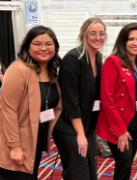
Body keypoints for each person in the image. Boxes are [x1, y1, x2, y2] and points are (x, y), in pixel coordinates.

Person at [0, 26, 62, 180]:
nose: (43, 48)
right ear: (27, 46)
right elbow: (7, 110)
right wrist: (14, 147)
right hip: (17, 141)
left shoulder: (52, 71)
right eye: (37, 43)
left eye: (49, 44)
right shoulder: (18, 70)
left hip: (36, 139)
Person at [95, 23, 137, 180]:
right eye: (131, 39)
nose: (135, 43)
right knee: (124, 164)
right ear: (123, 42)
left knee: (126, 166)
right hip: (120, 125)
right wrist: (120, 130)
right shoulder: (113, 62)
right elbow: (107, 99)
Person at [52, 18, 106, 180]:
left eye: (101, 33)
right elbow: (71, 101)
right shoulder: (72, 59)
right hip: (68, 126)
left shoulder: (97, 58)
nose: (98, 37)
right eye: (93, 33)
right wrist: (81, 135)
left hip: (85, 125)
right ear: (83, 35)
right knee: (78, 173)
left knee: (89, 174)